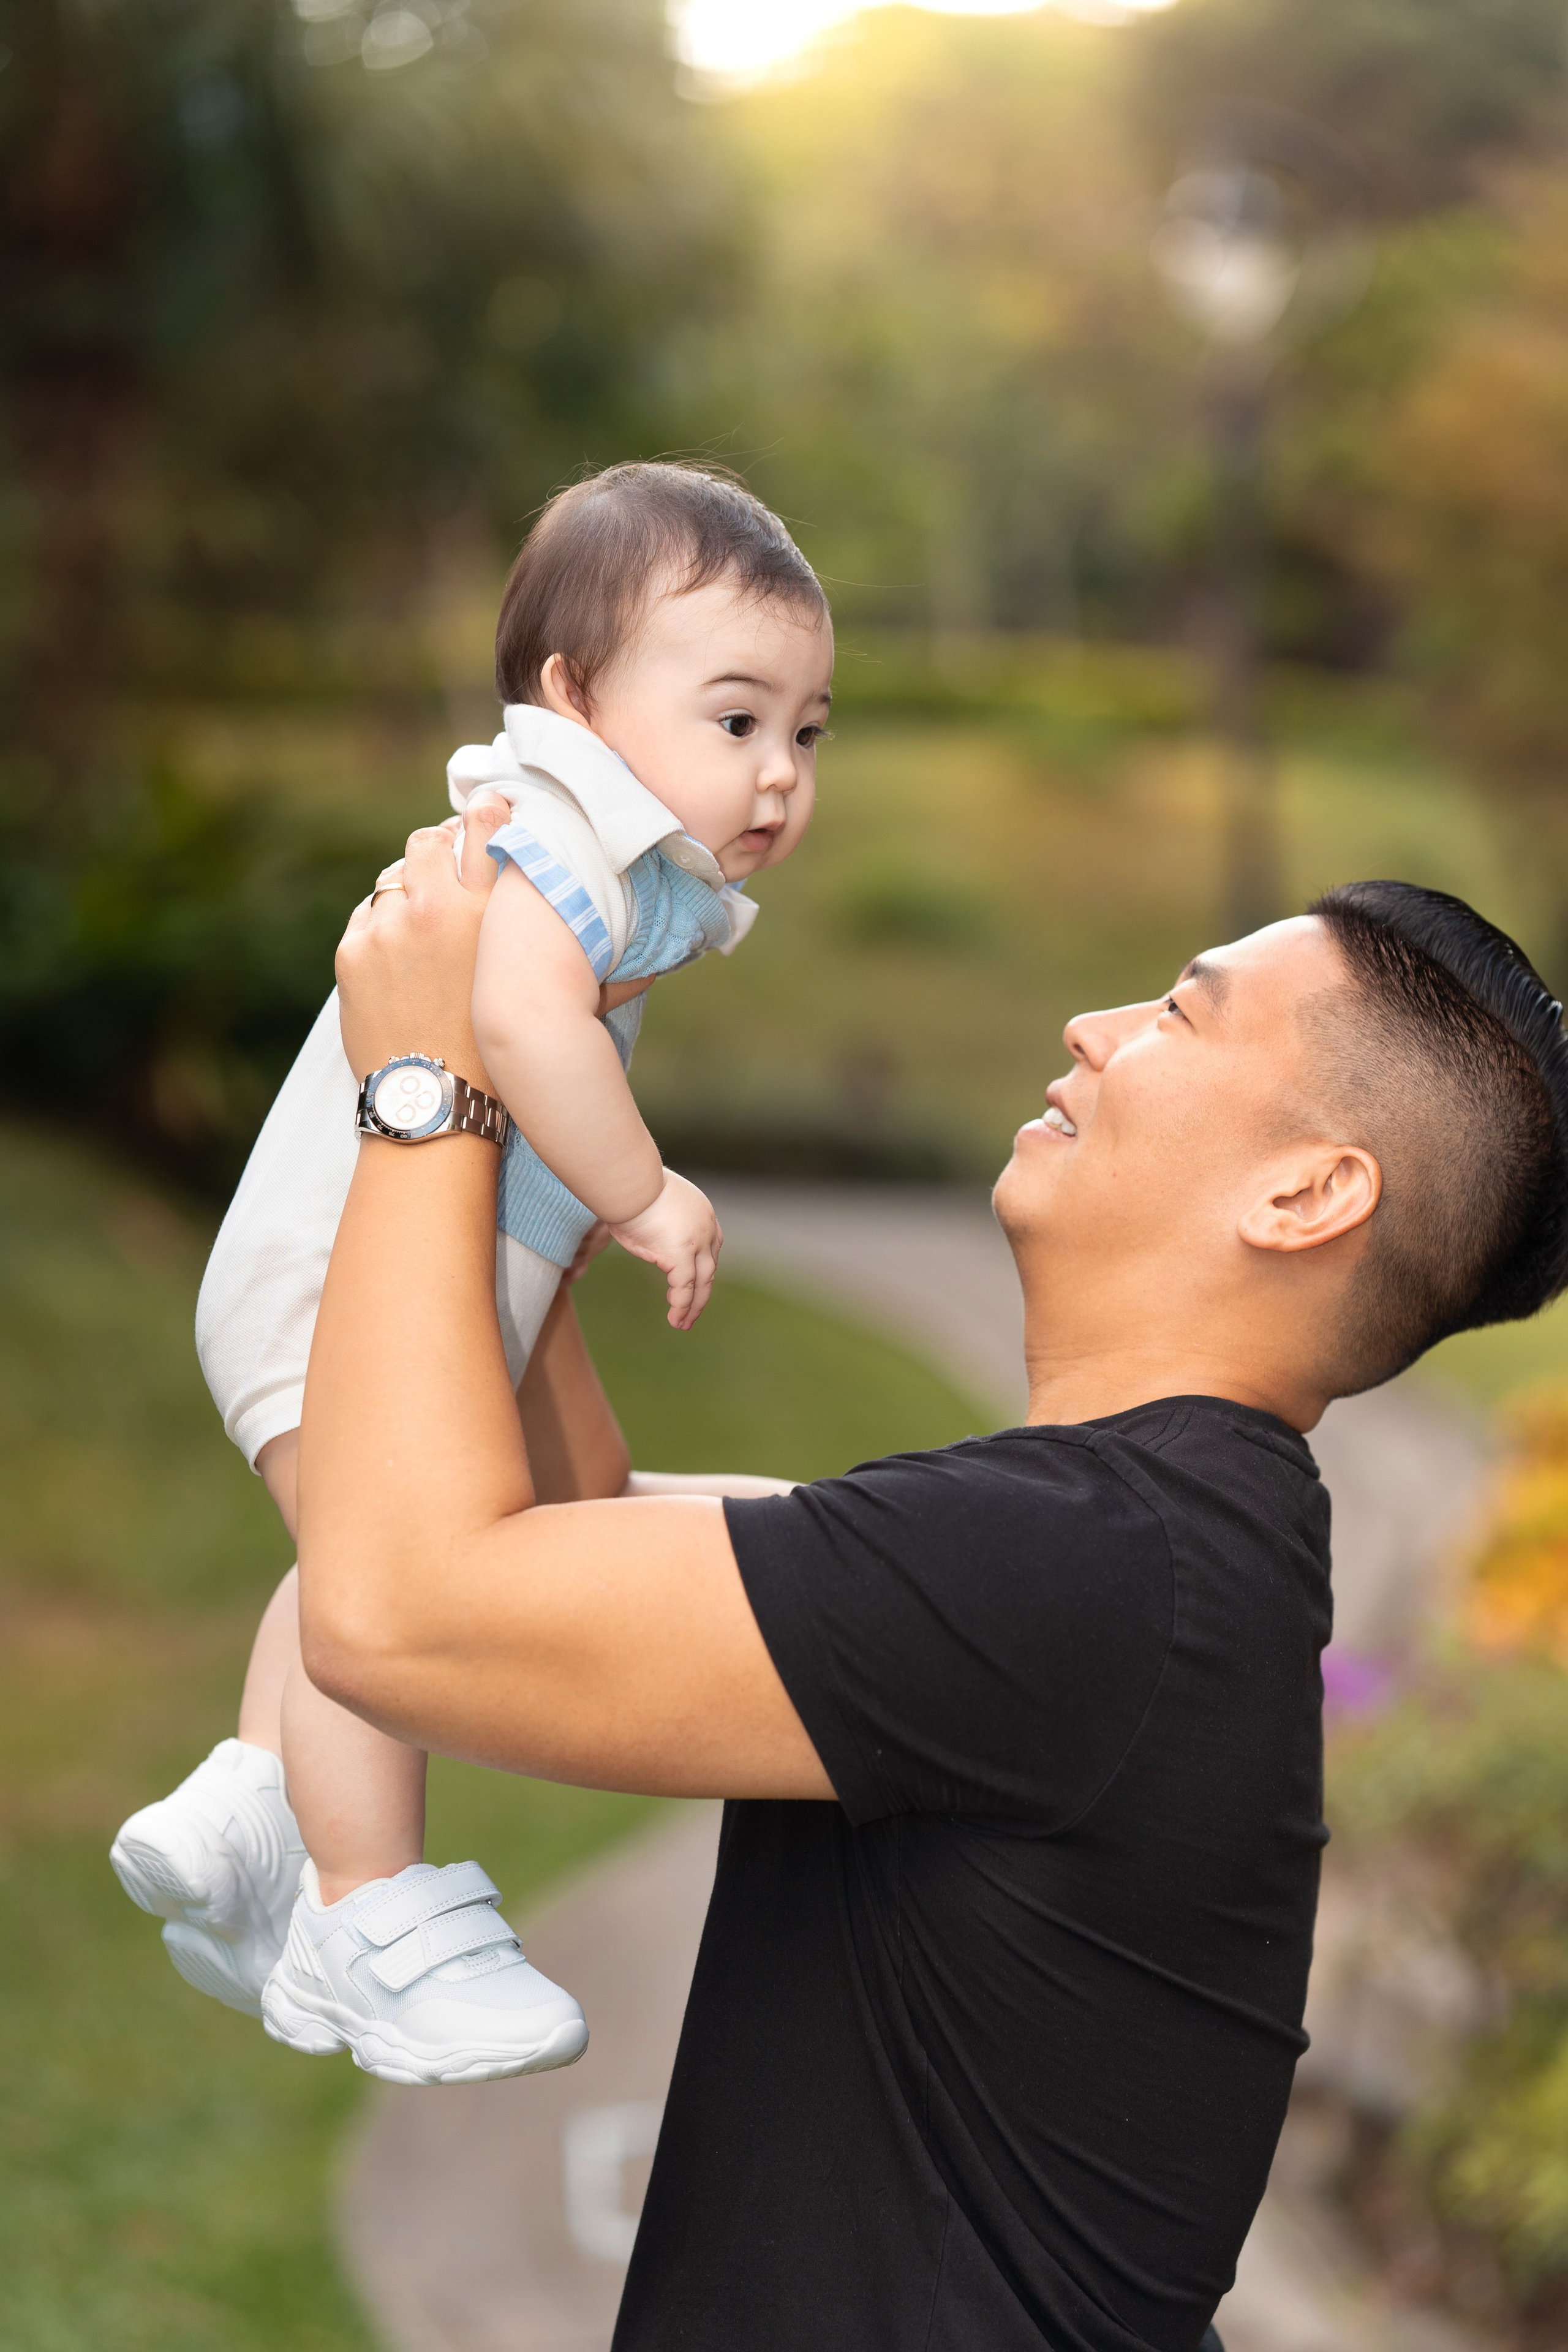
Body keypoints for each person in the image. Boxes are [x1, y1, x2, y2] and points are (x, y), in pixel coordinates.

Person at [296, 842, 1567, 2350]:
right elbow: (558, 1535)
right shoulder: (1139, 1548)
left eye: (1179, 1010)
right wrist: (540, 1136)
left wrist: (426, 1090)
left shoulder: (1090, 1566)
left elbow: (395, 1612)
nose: (1094, 1027)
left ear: (1304, 1193)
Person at [108, 462, 833, 2085]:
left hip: (397, 1271)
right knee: (401, 1587)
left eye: (807, 730)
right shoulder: (552, 835)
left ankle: (241, 1806)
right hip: (340, 1278)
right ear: (572, 697)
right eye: (736, 721)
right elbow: (513, 1026)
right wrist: (640, 1192)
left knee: (396, 1553)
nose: (780, 773)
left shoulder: (612, 848)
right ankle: (365, 1915)